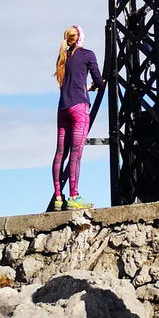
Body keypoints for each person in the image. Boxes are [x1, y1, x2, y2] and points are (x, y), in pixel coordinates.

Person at [50, 24, 102, 211]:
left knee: (60, 153)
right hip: (79, 107)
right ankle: (73, 196)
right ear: (80, 38)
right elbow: (99, 81)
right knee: (76, 154)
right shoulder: (88, 54)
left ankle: (58, 197)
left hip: (63, 108)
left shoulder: (63, 58)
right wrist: (94, 86)